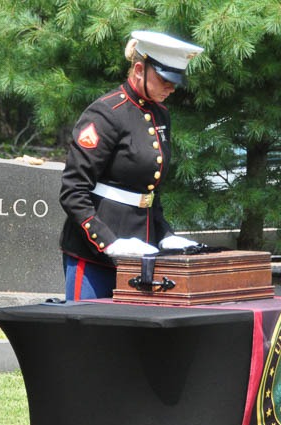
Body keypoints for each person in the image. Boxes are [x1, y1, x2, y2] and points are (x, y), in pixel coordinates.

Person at [59, 30, 204, 300]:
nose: (172, 88)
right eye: (164, 79)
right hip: (95, 256)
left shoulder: (160, 114)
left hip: (141, 253)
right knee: (87, 327)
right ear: (139, 69)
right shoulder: (105, 114)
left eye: (175, 81)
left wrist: (164, 234)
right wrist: (109, 242)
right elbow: (73, 191)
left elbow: (149, 189)